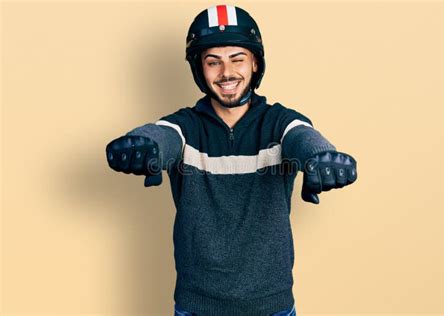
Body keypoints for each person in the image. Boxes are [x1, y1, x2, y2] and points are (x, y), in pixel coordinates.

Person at [105, 4, 357, 316]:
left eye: (237, 59)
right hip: (197, 307)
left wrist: (320, 156)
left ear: (254, 62)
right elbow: (163, 134)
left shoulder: (279, 122)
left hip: (272, 307)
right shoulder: (186, 126)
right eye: (213, 62)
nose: (226, 73)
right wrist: (145, 144)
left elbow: (304, 137)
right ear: (199, 68)